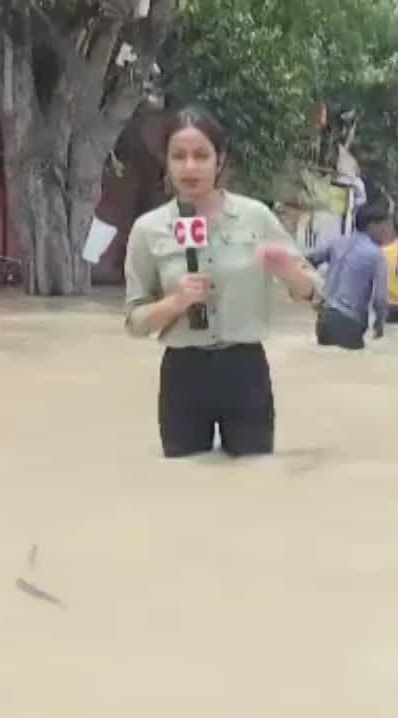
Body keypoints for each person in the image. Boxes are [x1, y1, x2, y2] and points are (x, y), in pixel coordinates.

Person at [124, 106, 320, 459]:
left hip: (245, 371)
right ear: (165, 162)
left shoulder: (255, 217)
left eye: (201, 155)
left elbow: (313, 293)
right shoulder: (147, 230)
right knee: (183, 481)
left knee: (254, 477)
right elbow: (134, 322)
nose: (189, 167)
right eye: (178, 156)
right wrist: (175, 302)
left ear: (220, 159)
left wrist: (287, 270)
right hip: (182, 374)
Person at [305, 201, 391, 350]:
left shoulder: (337, 243)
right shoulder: (376, 255)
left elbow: (305, 261)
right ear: (372, 225)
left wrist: (313, 293)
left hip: (324, 320)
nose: (387, 232)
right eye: (385, 227)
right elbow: (380, 299)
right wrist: (380, 324)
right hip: (349, 323)